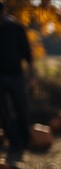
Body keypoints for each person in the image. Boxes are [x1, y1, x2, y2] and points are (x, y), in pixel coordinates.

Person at [0, 1, 36, 157]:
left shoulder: (16, 28)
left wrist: (32, 76)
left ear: (4, 12)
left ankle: (24, 141)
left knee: (21, 108)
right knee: (3, 112)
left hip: (16, 75)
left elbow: (28, 54)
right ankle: (13, 142)